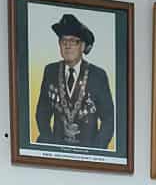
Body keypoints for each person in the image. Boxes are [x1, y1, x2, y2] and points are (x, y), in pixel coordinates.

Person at [33, 11, 114, 150]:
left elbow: (109, 120)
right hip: (56, 148)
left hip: (89, 150)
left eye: (73, 41)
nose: (67, 46)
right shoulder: (50, 71)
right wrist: (50, 146)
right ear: (59, 44)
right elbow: (42, 113)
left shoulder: (98, 76)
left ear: (82, 46)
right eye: (64, 41)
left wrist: (96, 151)